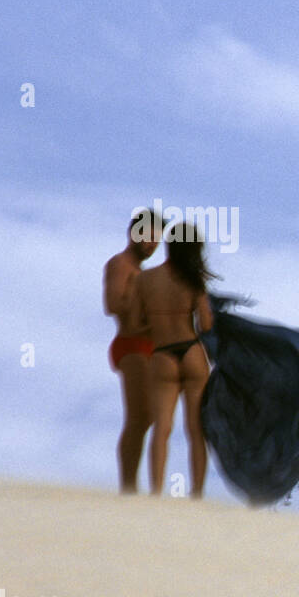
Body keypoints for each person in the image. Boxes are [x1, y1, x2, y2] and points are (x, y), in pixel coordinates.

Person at [136, 221, 216, 498]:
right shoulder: (194, 280)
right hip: (192, 353)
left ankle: (156, 491)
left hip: (163, 355)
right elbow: (205, 325)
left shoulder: (145, 279)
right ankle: (196, 494)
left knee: (162, 429)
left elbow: (137, 323)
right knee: (196, 431)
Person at [102, 208, 162, 493]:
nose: (152, 244)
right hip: (131, 345)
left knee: (148, 416)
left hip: (149, 346)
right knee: (139, 416)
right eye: (149, 237)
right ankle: (128, 487)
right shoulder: (120, 265)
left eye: (157, 240)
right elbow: (113, 304)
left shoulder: (141, 272)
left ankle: (133, 485)